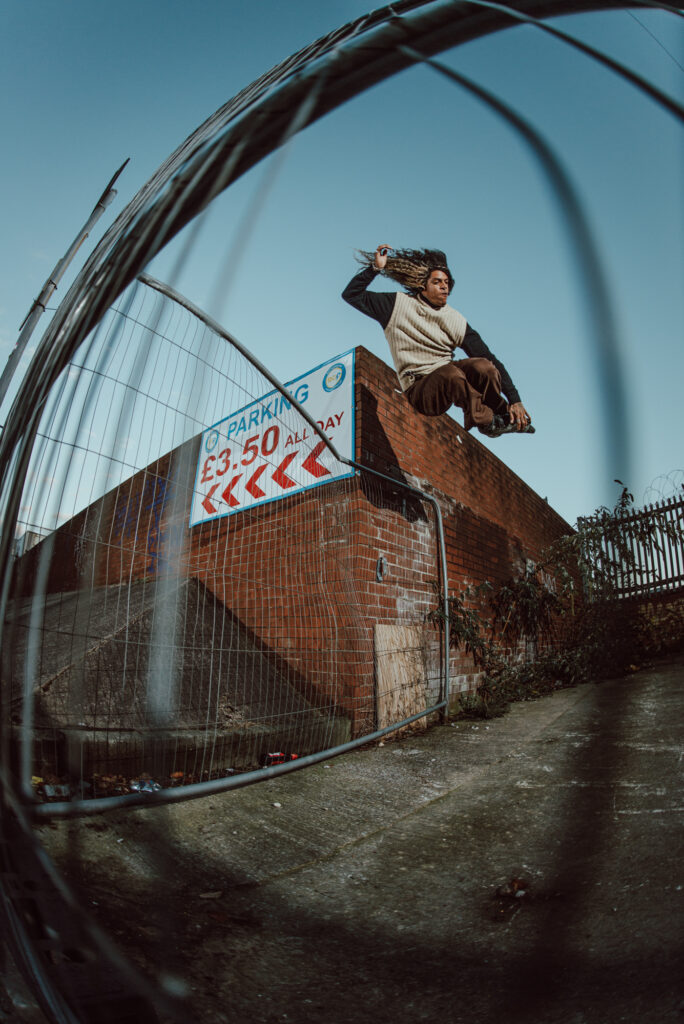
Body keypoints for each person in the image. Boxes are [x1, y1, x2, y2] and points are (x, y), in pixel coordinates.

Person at [342, 244, 534, 437]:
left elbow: (488, 357)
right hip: (419, 389)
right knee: (450, 373)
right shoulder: (396, 305)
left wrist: (515, 399)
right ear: (423, 285)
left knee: (484, 367)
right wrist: (375, 268)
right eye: (437, 282)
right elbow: (351, 295)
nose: (444, 286)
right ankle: (486, 422)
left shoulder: (455, 320)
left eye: (447, 283)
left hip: (449, 380)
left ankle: (504, 416)